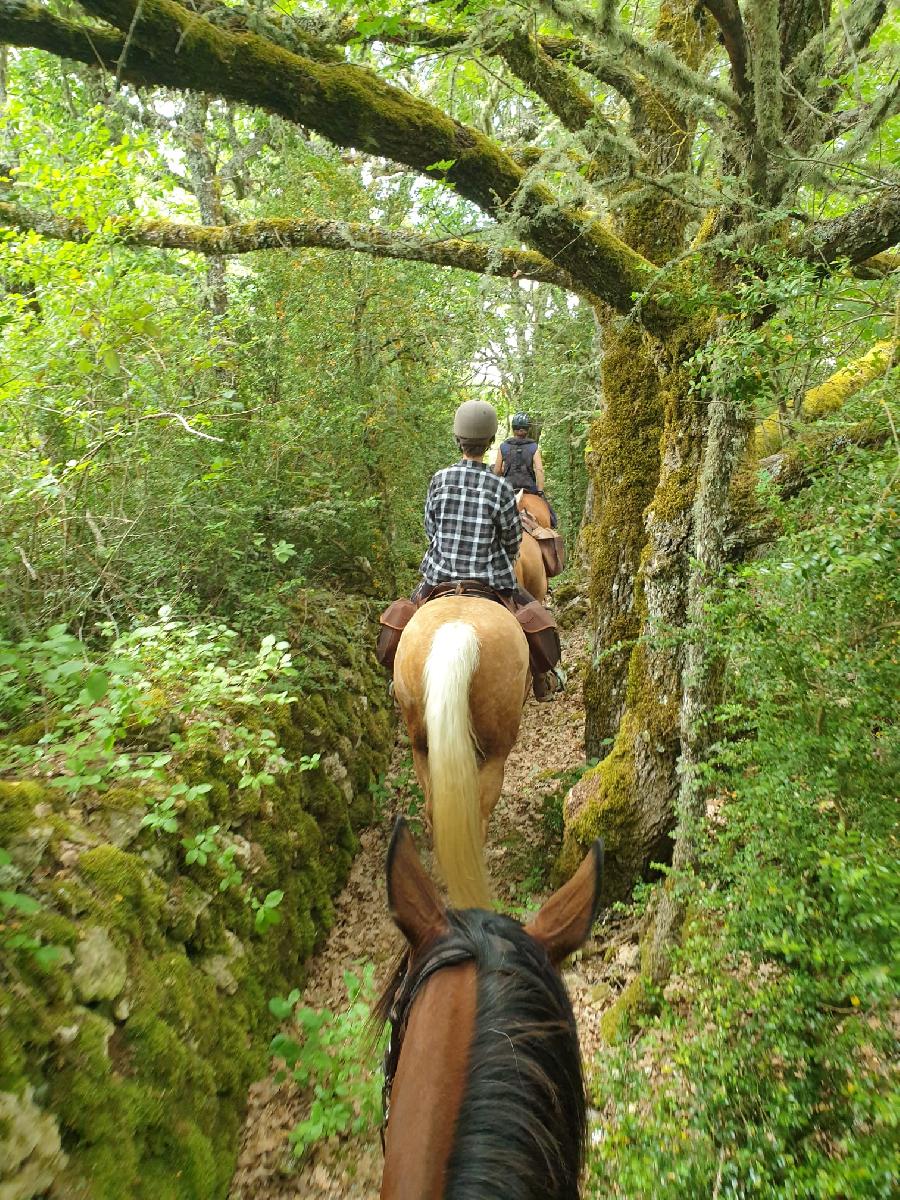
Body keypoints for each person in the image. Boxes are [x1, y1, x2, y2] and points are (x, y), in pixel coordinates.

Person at [414, 399, 521, 601]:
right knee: (537, 620)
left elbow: (431, 529)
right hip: (489, 581)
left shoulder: (440, 479)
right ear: (490, 442)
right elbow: (512, 541)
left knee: (401, 617)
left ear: (457, 440)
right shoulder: (501, 487)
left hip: (439, 577)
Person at [493, 413, 558, 528]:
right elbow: (539, 470)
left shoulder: (503, 446)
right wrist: (540, 491)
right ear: (528, 429)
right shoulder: (533, 447)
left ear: (513, 429)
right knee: (551, 519)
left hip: (508, 489)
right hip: (529, 488)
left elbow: (497, 470)